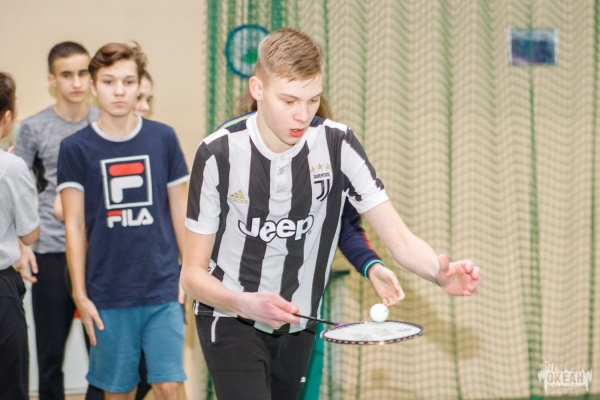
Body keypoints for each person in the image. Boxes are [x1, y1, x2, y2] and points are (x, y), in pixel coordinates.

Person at [180, 27, 481, 400]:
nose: (302, 114)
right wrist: (244, 302)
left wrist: (438, 272)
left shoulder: (338, 145)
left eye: (312, 99)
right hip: (231, 316)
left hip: (300, 320)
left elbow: (400, 239)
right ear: (257, 89)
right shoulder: (217, 154)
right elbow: (192, 274)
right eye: (289, 100)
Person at [57, 42, 188, 400]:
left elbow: (180, 210)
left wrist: (190, 271)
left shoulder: (163, 138)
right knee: (120, 391)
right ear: (94, 86)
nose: (119, 91)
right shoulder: (75, 148)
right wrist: (80, 294)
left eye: (128, 82)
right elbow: (74, 226)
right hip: (108, 292)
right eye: (109, 81)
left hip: (162, 286)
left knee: (169, 384)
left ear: (139, 85)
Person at [14, 41, 100, 400]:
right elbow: (17, 189)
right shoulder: (33, 128)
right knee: (49, 356)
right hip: (50, 251)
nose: (76, 82)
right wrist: (21, 244)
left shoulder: (104, 122)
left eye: (82, 73)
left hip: (98, 253)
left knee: (103, 353)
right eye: (66, 75)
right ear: (52, 79)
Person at [85, 69, 156, 400]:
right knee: (111, 377)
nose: (143, 105)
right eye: (139, 97)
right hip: (109, 281)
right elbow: (61, 208)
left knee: (150, 374)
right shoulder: (93, 144)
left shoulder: (157, 142)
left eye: (147, 99)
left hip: (150, 280)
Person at [0, 72, 41, 400]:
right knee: (10, 385)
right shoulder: (10, 167)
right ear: (7, 116)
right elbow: (29, 235)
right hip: (2, 289)